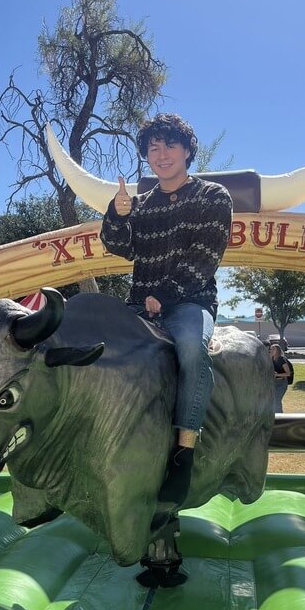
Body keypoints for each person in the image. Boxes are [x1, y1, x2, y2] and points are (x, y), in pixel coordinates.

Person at [100, 113, 233, 509]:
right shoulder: (139, 204)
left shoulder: (212, 196)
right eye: (153, 148)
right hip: (139, 305)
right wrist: (118, 215)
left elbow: (204, 257)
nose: (161, 155)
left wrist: (166, 294)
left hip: (190, 302)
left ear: (187, 150)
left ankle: (184, 452)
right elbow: (118, 246)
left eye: (169, 145)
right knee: (98, 356)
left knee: (192, 348)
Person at [270, 343, 290, 413]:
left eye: (273, 349)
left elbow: (288, 373)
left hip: (282, 383)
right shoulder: (272, 359)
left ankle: (280, 418)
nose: (271, 350)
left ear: (277, 350)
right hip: (274, 383)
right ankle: (275, 416)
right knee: (273, 401)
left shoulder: (281, 359)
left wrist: (276, 375)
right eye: (270, 349)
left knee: (277, 400)